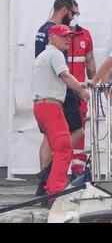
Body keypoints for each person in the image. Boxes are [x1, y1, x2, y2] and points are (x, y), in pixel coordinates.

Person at [32, 24, 90, 199]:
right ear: (52, 38)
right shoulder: (56, 54)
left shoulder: (42, 56)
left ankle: (47, 180)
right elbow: (64, 76)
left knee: (56, 146)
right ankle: (54, 193)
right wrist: (82, 91)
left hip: (40, 106)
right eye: (63, 36)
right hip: (51, 106)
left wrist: (80, 85)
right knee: (64, 149)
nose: (68, 39)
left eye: (69, 36)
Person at [67, 1, 97, 178]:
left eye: (77, 13)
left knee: (80, 130)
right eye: (73, 12)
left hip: (79, 92)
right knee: (61, 131)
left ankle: (77, 169)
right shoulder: (56, 35)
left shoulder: (85, 35)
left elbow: (90, 61)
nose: (75, 16)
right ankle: (58, 168)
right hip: (61, 92)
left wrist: (93, 82)